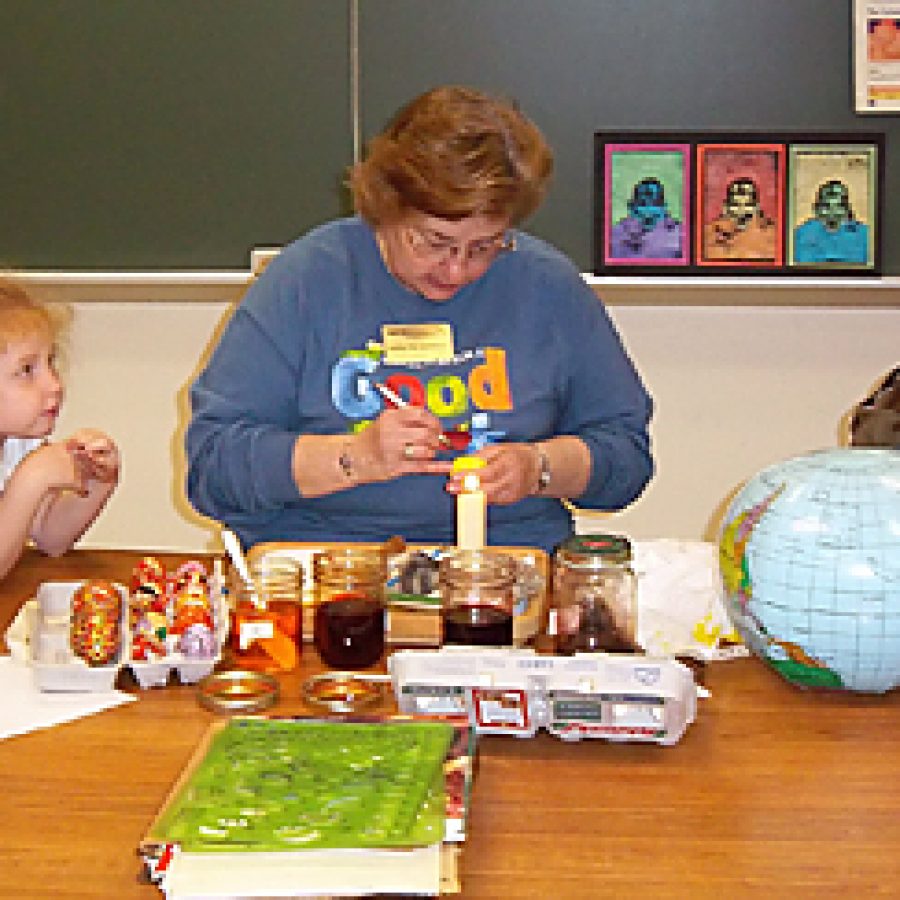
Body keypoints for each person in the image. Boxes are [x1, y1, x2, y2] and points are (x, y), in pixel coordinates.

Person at [186, 86, 653, 554]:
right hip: (325, 563)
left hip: (504, 562)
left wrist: (540, 467)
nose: (457, 270)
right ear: (385, 207)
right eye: (433, 242)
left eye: (485, 246)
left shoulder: (547, 286)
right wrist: (354, 457)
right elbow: (213, 468)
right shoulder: (307, 280)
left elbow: (625, 456)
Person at [0, 278, 120, 579]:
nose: (54, 384)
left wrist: (96, 482)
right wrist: (31, 479)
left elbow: (52, 538)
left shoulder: (16, 445)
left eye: (50, 362)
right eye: (26, 370)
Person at [793, 180, 869, 265]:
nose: (832, 212)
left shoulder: (865, 235)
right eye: (826, 206)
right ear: (816, 208)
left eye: (839, 206)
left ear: (847, 209)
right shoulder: (801, 234)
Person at [703, 177, 776, 261]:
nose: (742, 211)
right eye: (736, 205)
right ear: (725, 207)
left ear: (757, 207)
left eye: (748, 205)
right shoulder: (707, 234)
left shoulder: (773, 235)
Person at [609, 177, 682, 260]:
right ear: (631, 206)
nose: (649, 210)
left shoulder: (680, 234)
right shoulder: (614, 235)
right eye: (642, 204)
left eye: (655, 204)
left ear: (664, 207)